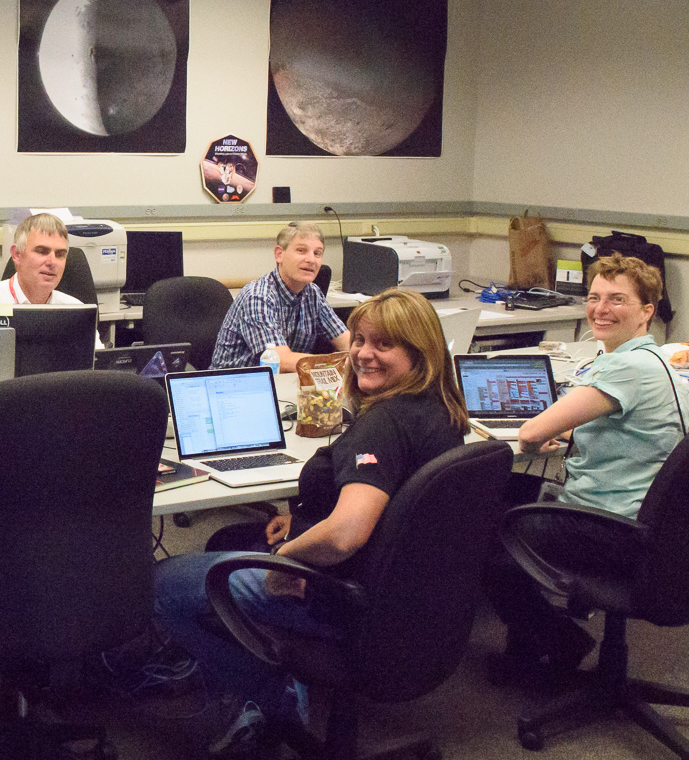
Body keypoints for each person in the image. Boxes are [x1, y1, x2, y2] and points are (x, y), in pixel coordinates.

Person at [155, 288, 468, 755]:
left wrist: (287, 557)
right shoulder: (443, 412)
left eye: (383, 344)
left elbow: (345, 535)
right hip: (410, 599)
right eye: (359, 340)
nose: (362, 354)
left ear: (419, 353)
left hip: (340, 596)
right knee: (229, 538)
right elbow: (396, 508)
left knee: (162, 584)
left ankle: (271, 701)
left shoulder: (386, 424)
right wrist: (302, 520)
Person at [485, 254, 689, 679]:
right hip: (650, 519)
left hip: (611, 526)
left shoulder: (625, 367)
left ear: (647, 311)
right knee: (514, 494)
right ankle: (532, 650)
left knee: (491, 540)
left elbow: (529, 434)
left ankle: (558, 643)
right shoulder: (655, 361)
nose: (600, 309)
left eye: (617, 299)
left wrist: (543, 434)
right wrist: (572, 432)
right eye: (594, 298)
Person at [210, 221, 349, 371]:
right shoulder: (258, 296)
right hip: (234, 382)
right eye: (301, 250)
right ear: (279, 254)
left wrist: (359, 355)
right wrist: (335, 364)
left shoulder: (313, 293)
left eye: (317, 253)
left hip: (285, 380)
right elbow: (279, 360)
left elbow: (347, 342)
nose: (311, 260)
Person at [0, 212, 84, 306]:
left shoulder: (75, 310)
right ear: (17, 255)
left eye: (60, 254)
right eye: (42, 251)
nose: (52, 262)